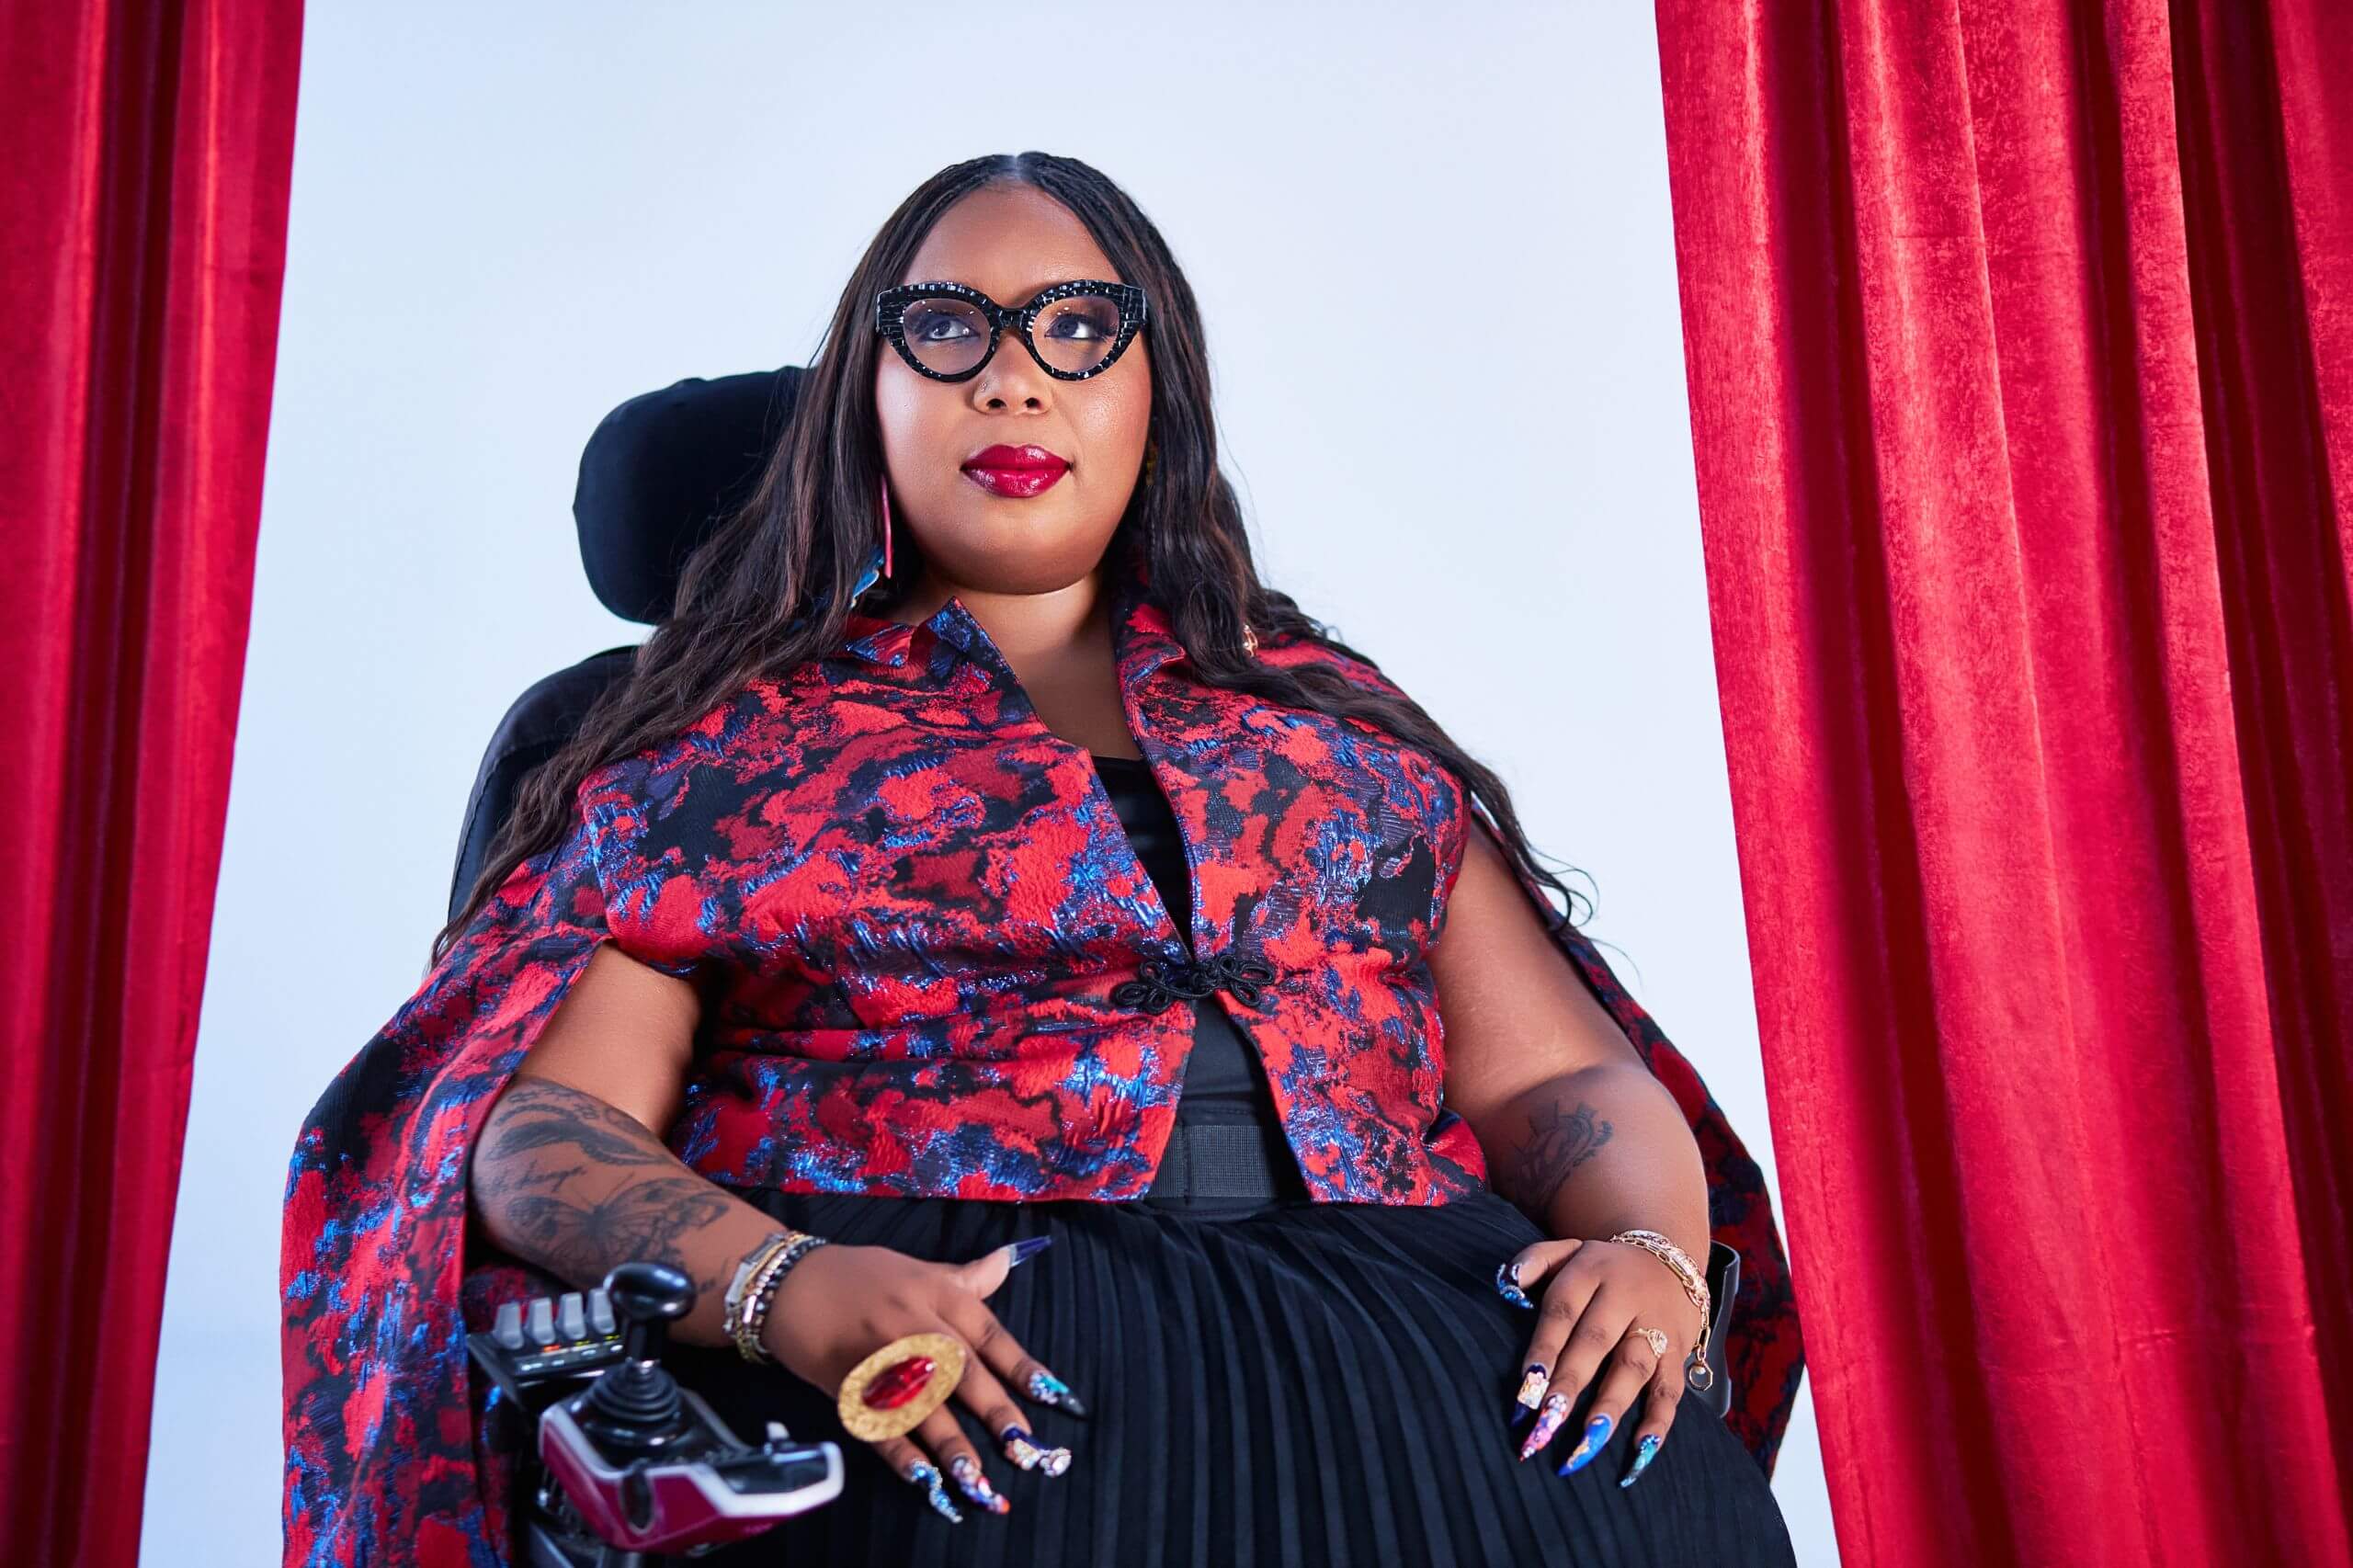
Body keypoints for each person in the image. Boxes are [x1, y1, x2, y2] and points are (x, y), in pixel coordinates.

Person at [280, 151, 1802, 1568]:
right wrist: (778, 1284)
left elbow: (1561, 1083)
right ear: (866, 396)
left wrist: (1653, 1255)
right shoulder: (719, 751)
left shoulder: (1333, 721)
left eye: (1079, 327)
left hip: (1424, 1315)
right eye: (946, 327)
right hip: (937, 1343)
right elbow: (544, 1131)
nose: (1012, 373)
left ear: (1160, 392)